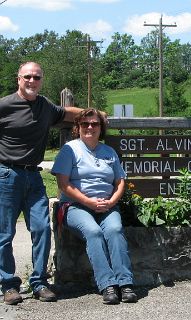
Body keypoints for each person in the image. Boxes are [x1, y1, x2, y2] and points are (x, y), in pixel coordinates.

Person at [0, 61, 83, 305]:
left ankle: (38, 282)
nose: (32, 81)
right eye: (27, 77)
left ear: (41, 80)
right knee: (5, 234)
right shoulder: (4, 106)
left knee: (41, 229)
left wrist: (95, 115)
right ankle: (8, 285)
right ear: (18, 79)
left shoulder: (45, 106)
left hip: (34, 177)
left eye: (36, 77)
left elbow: (68, 114)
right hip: (7, 175)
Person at [51, 108, 137, 305]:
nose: (90, 127)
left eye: (95, 124)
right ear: (78, 127)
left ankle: (125, 284)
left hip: (107, 205)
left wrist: (113, 201)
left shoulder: (109, 152)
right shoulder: (70, 150)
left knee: (115, 230)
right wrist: (88, 201)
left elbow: (120, 181)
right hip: (75, 206)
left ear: (101, 127)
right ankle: (107, 284)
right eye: (85, 124)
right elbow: (63, 184)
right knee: (93, 231)